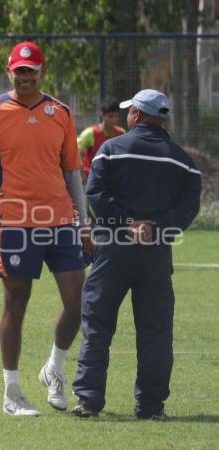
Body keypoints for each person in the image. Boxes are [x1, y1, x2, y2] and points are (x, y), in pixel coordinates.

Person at [0, 41, 92, 417]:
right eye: (19, 71)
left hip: (62, 220)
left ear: (42, 71)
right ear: (9, 71)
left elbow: (72, 173)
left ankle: (54, 368)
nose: (25, 77)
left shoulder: (62, 113)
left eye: (31, 70)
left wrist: (83, 223)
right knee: (16, 304)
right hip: (16, 222)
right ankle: (12, 392)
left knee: (78, 303)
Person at [72, 89, 201, 419]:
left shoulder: (110, 149)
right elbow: (188, 208)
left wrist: (126, 223)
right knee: (155, 330)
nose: (126, 115)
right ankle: (151, 405)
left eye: (130, 111)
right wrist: (154, 228)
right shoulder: (183, 161)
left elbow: (95, 194)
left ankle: (88, 399)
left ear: (138, 116)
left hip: (113, 250)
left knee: (98, 324)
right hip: (156, 254)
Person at [77, 100, 125, 182]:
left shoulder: (121, 133)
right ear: (102, 115)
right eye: (110, 116)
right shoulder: (90, 133)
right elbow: (76, 152)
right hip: (93, 179)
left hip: (114, 181)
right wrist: (82, 174)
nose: (113, 120)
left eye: (116, 116)